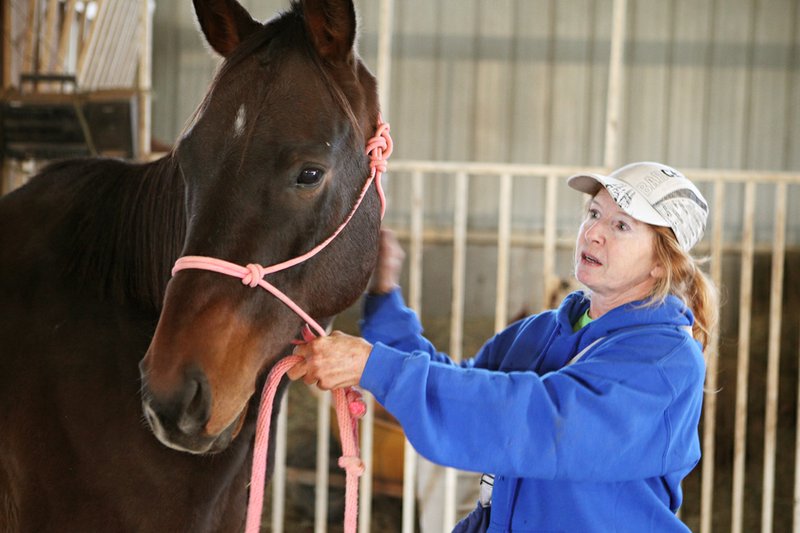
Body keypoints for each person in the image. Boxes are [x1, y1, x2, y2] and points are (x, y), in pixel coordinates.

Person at [288, 161, 718, 532]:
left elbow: (541, 421)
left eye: (620, 225)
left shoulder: (663, 361)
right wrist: (384, 299)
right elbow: (462, 390)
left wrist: (375, 366)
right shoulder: (542, 332)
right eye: (594, 213)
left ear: (662, 260)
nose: (593, 234)